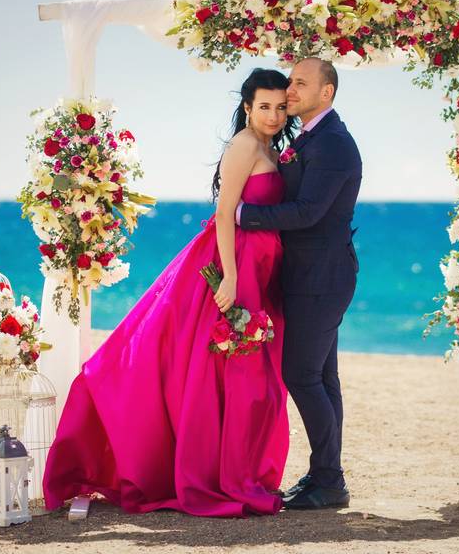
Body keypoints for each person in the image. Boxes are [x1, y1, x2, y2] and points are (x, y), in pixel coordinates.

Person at [42, 68, 295, 517]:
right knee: (222, 372)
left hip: (260, 267)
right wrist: (232, 279)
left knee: (242, 375)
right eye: (264, 106)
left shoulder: (269, 146)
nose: (273, 115)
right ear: (246, 107)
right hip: (232, 266)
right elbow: (224, 216)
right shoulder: (243, 146)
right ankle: (216, 474)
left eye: (279, 106)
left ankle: (237, 470)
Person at [237, 57, 362, 510]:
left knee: (301, 376)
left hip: (321, 277)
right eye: (290, 81)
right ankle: (325, 476)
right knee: (323, 378)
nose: (290, 90)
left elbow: (307, 211)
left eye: (300, 83)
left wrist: (242, 215)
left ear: (325, 92)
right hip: (312, 274)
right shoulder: (310, 136)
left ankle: (330, 479)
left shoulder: (332, 143)